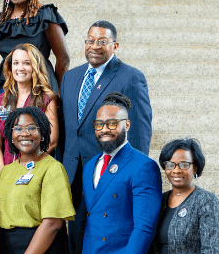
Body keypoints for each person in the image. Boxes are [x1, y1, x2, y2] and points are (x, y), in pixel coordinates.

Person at [61, 21, 153, 252]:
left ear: (115, 45)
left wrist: (133, 172)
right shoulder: (70, 77)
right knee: (77, 238)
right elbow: (69, 129)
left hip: (112, 173)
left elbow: (140, 130)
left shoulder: (131, 77)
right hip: (74, 175)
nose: (95, 46)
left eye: (102, 41)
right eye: (90, 41)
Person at [81, 92, 161, 254]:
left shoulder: (144, 166)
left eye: (112, 123)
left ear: (127, 125)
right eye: (99, 124)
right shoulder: (89, 166)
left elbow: (144, 228)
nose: (104, 130)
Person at [0, 107, 74, 254]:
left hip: (41, 248)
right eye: (18, 128)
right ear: (10, 134)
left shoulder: (53, 168)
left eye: (32, 128)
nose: (25, 133)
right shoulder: (5, 172)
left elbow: (53, 223)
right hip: (6, 247)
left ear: (42, 133)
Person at [0, 0, 69, 94]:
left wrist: (60, 92)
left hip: (39, 87)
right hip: (7, 87)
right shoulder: (1, 20)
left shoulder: (45, 15)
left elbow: (63, 58)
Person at [0, 43, 58, 174]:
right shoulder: (1, 100)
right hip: (5, 170)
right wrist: (2, 172)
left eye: (26, 63)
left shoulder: (46, 100)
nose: (20, 68)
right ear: (10, 67)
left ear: (35, 67)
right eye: (16, 63)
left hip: (33, 170)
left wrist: (26, 167)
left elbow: (52, 141)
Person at [152, 138, 219, 253]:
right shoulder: (160, 200)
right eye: (170, 164)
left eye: (184, 165)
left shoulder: (206, 201)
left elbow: (212, 249)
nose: (176, 170)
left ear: (195, 168)